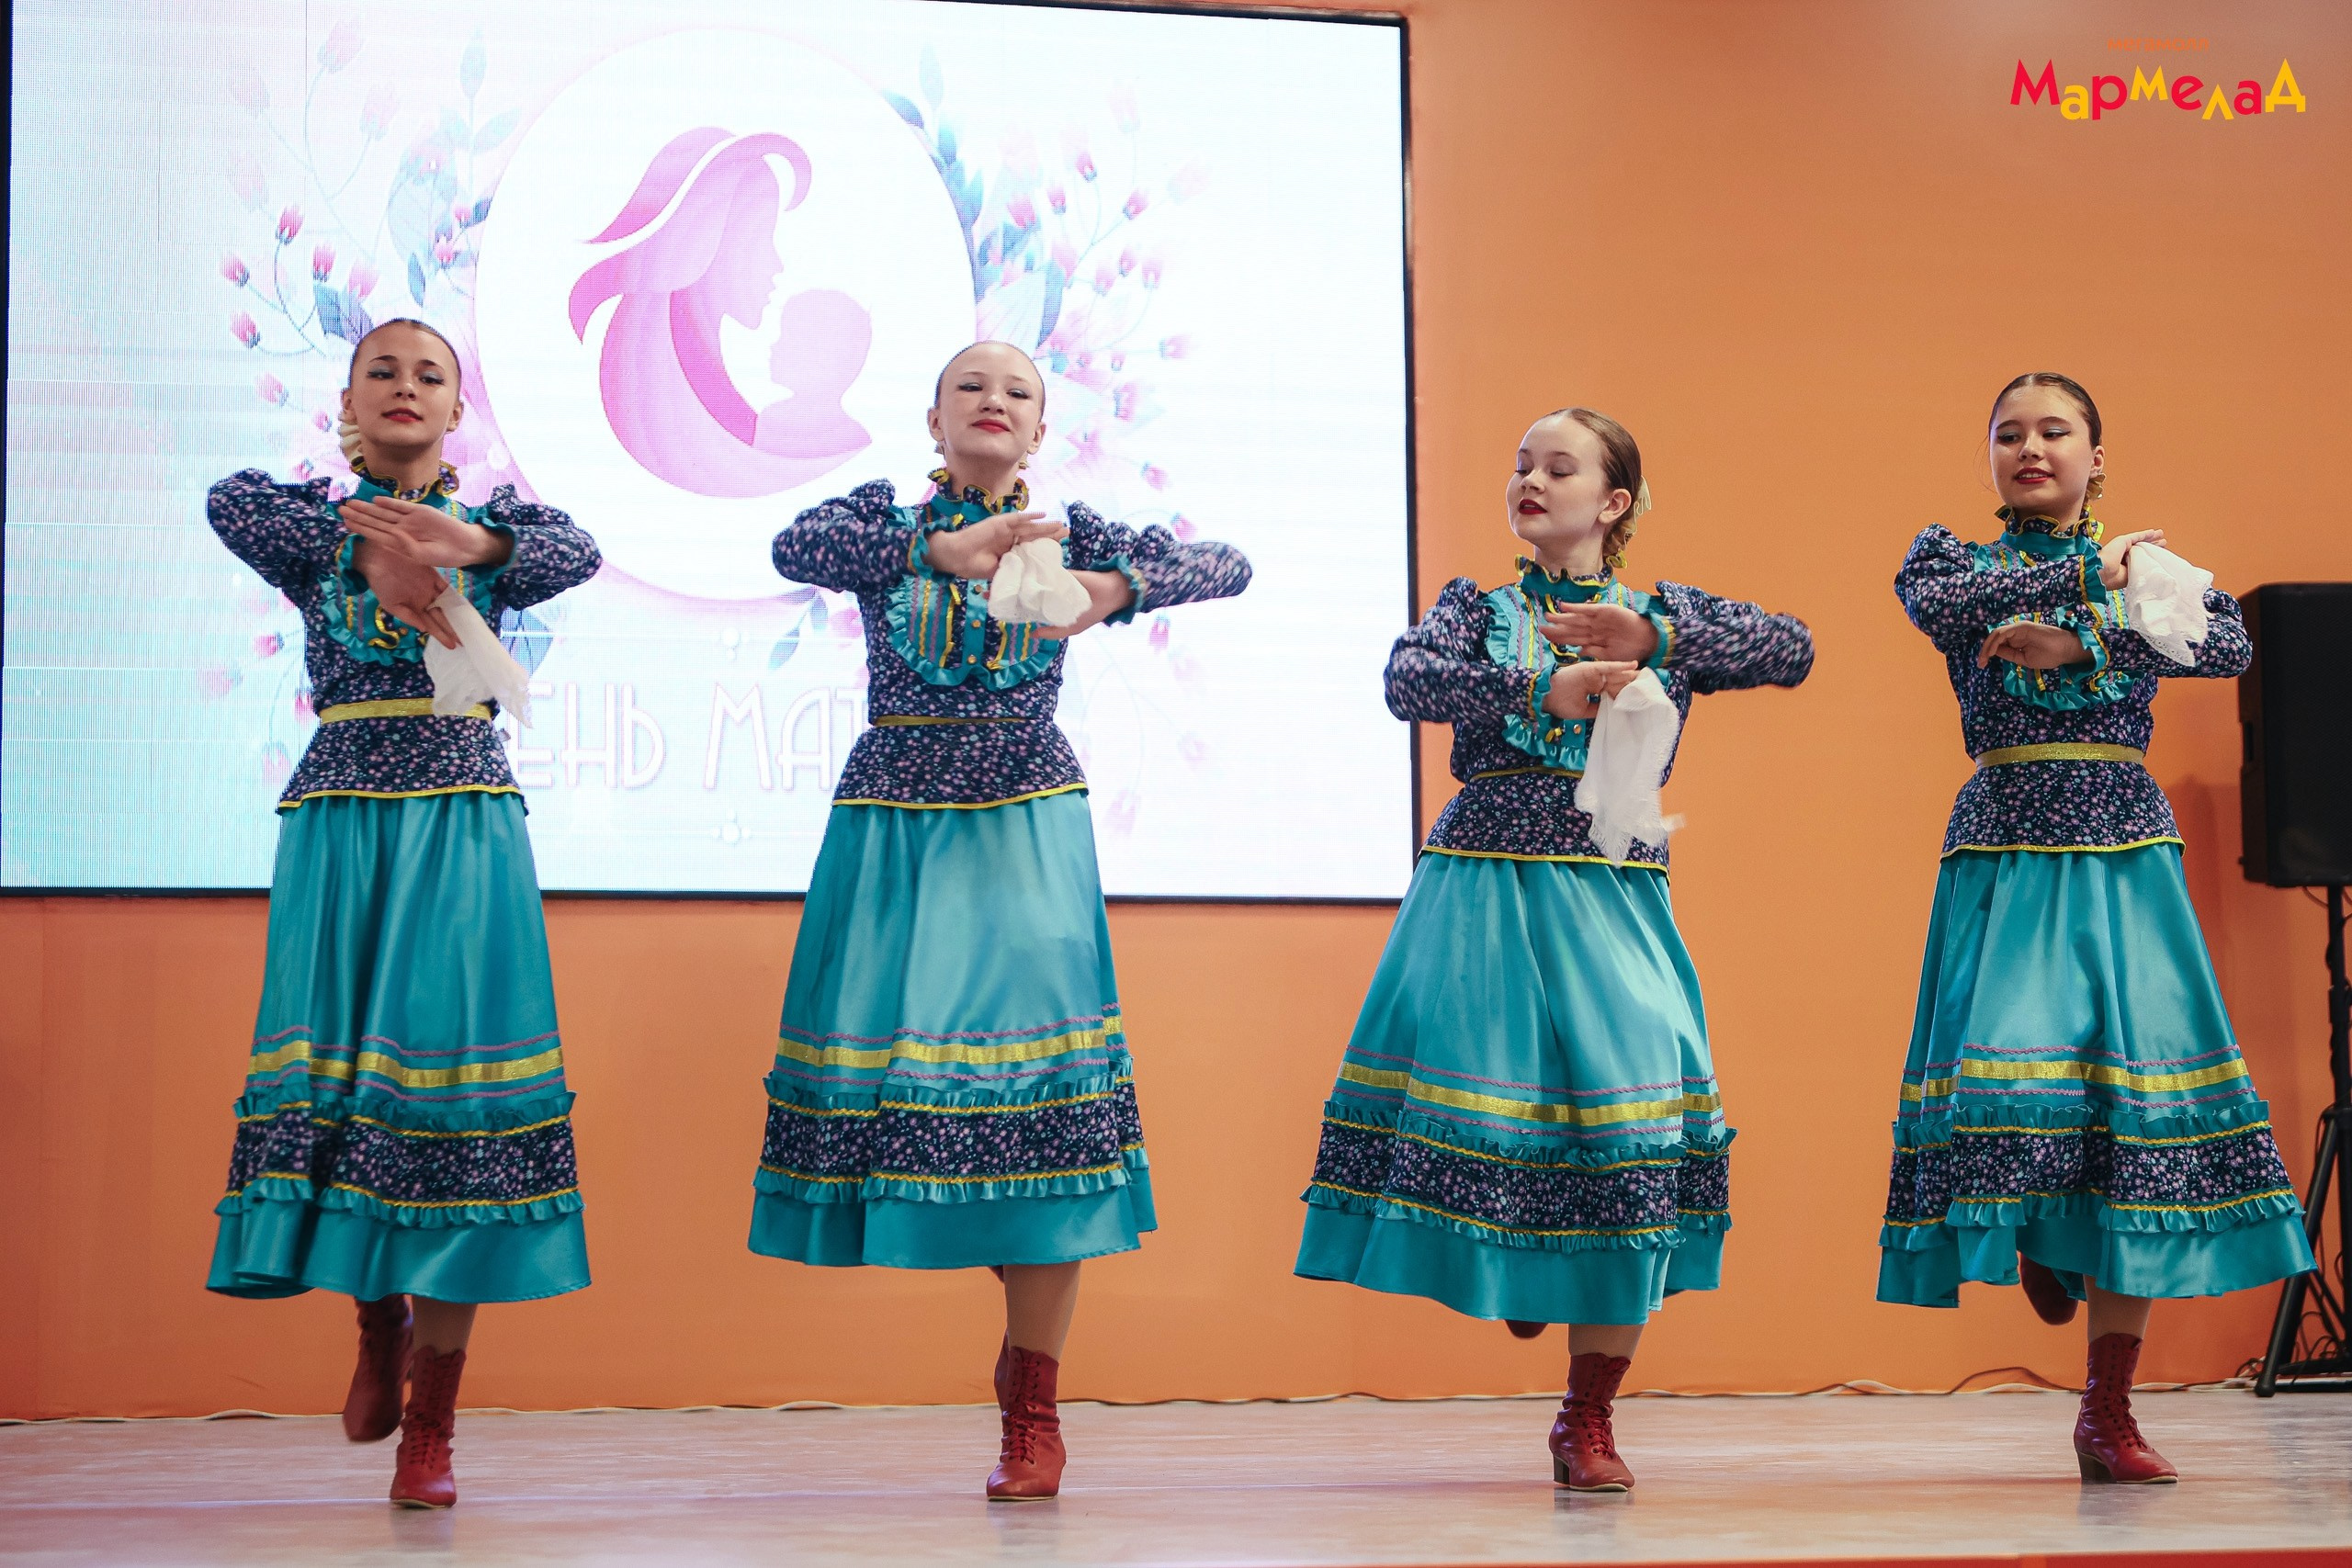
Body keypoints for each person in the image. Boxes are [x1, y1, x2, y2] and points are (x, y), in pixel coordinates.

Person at [750, 340, 1251, 1499]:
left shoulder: (1075, 537)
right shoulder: (878, 524)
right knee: (899, 1087)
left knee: (1046, 1113)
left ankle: (1033, 1406)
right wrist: (937, 549)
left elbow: (1229, 564)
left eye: (1017, 392)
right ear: (935, 424)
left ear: (1038, 434)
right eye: (970, 387)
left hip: (1024, 816)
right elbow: (792, 547)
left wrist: (1109, 593)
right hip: (896, 819)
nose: (993, 401)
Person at [1294, 407, 1813, 1491]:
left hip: (1611, 892)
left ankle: (1588, 1415)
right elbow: (1407, 683)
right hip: (1482, 891)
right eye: (1521, 463)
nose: (1530, 477)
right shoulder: (1473, 611)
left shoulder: (1659, 611)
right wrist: (1542, 687)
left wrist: (1656, 642)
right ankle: (1524, 1267)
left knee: (1631, 1117)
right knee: (1506, 1108)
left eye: (1558, 465)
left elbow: (1793, 646)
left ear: (1613, 503)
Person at [1876, 371, 2312, 1483]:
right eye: (2008, 433)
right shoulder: (1956, 564)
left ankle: (2105, 1409)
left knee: (2135, 1122)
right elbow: (1943, 610)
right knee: (2017, 1083)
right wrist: (2096, 583)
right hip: (2010, 839)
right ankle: (2036, 1229)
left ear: (2095, 457)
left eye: (2055, 431)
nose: (2031, 448)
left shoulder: (2145, 572)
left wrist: (2091, 638)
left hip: (2122, 841)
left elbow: (2224, 646)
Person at [204, 318, 602, 1508]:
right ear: (351, 398)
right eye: (384, 368)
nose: (406, 386)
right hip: (341, 816)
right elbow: (229, 499)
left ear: (454, 408)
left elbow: (575, 548)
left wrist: (465, 540)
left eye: (431, 373)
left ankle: (434, 1418)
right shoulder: (308, 523)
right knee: (344, 1080)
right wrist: (363, 548)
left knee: (456, 1097)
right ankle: (375, 1314)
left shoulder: (495, 537)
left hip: (462, 820)